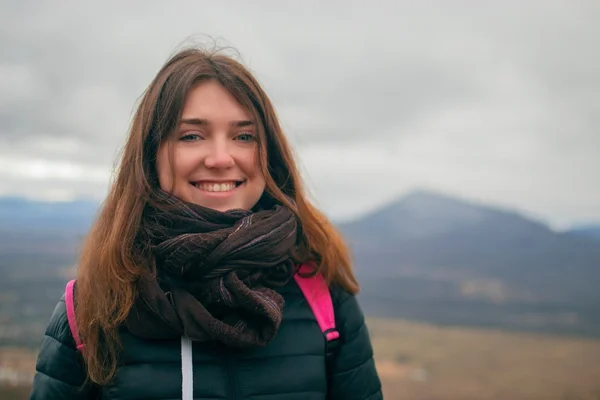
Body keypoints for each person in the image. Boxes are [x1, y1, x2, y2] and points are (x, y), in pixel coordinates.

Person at [29, 45, 382, 400]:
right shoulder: (95, 306)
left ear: (268, 153)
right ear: (151, 155)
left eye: (244, 136)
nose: (220, 158)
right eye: (191, 136)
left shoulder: (322, 293)